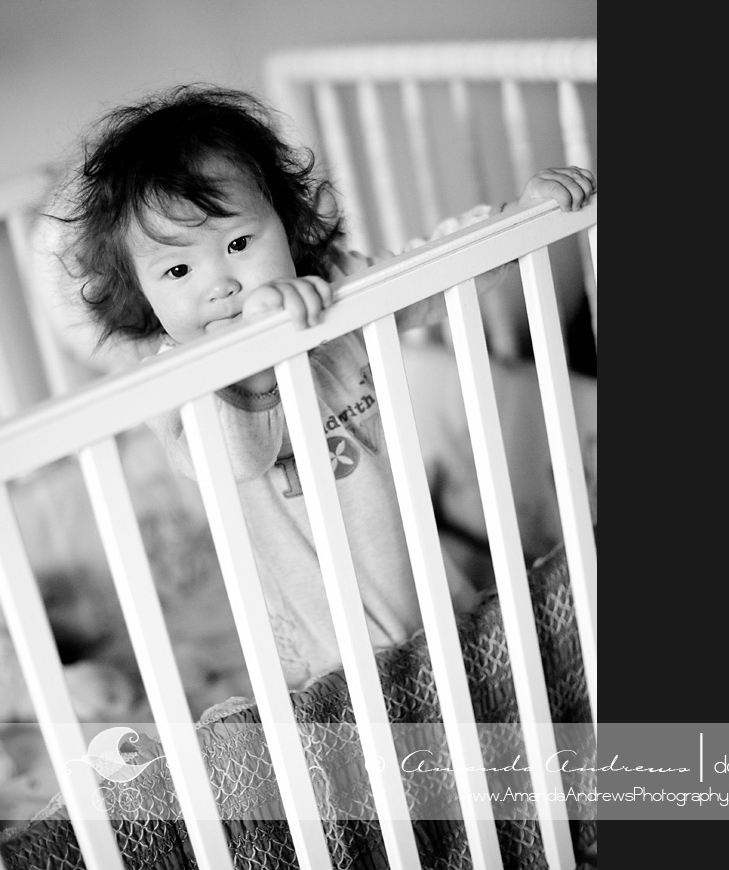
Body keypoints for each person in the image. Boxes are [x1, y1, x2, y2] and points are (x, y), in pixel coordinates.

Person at [48, 85, 595, 688]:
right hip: (323, 649)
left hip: (424, 585)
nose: (221, 283)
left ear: (286, 226)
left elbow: (431, 271)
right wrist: (259, 352)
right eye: (178, 270)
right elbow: (241, 456)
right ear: (141, 292)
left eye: (238, 243)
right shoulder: (172, 381)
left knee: (483, 694)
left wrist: (520, 218)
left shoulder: (333, 296)